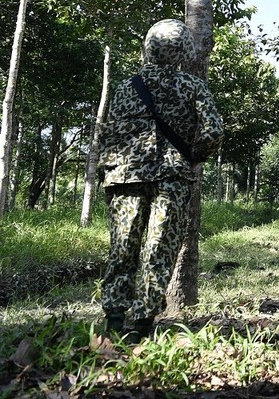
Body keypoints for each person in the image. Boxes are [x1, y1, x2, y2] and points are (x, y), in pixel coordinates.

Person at [99, 20, 223, 342]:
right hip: (171, 178)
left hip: (124, 178)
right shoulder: (192, 86)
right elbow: (213, 131)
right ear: (182, 51)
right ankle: (140, 327)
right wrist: (193, 156)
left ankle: (113, 322)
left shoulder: (127, 87)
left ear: (148, 47)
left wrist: (108, 171)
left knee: (122, 248)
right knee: (159, 250)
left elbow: (108, 135)